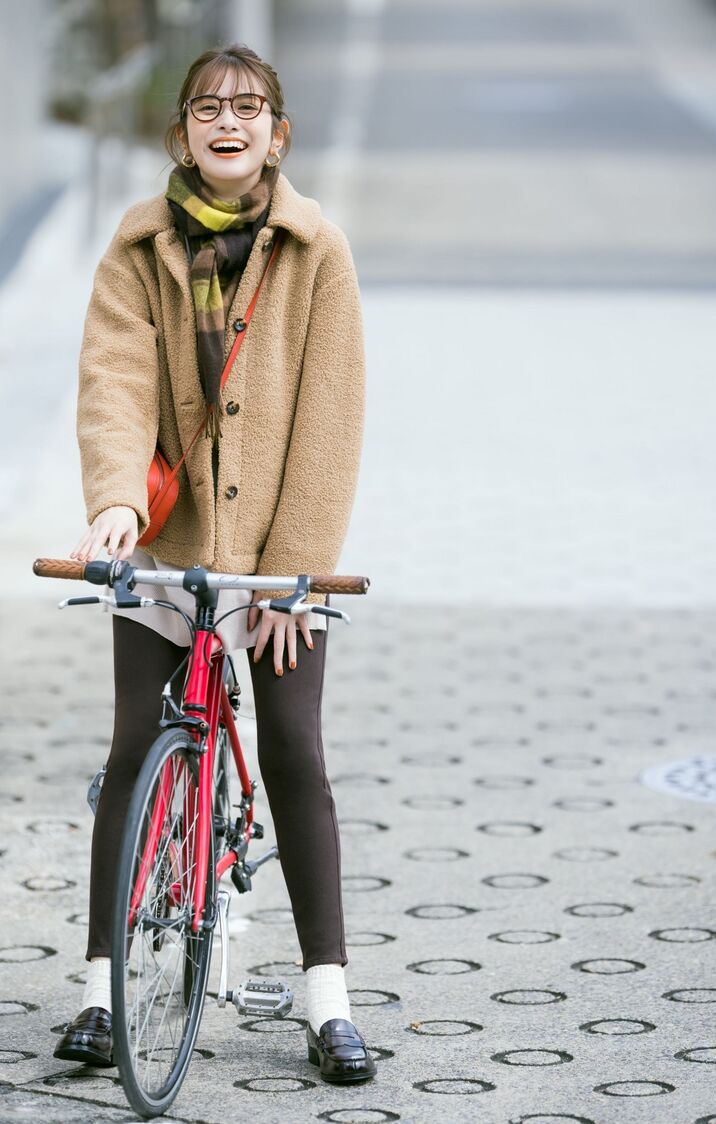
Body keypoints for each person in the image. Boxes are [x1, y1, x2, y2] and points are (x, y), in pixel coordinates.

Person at [53, 43, 375, 1084]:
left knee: (295, 752)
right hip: (169, 546)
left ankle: (328, 997)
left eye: (248, 106)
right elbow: (113, 377)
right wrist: (114, 501)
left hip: (282, 555)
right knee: (131, 749)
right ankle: (101, 987)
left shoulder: (316, 250)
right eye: (207, 106)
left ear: (277, 135)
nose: (227, 120)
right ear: (182, 133)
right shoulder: (136, 245)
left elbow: (330, 418)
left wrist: (298, 570)